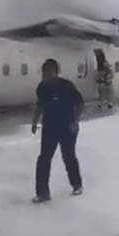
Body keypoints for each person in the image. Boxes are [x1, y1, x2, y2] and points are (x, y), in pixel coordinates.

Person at [31, 58, 84, 203]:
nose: (44, 76)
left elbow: (80, 103)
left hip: (67, 125)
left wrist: (75, 121)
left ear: (55, 72)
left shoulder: (66, 86)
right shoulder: (42, 87)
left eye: (47, 73)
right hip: (50, 127)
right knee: (44, 158)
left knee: (68, 156)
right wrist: (35, 122)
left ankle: (77, 184)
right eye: (43, 73)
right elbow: (40, 105)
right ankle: (43, 193)